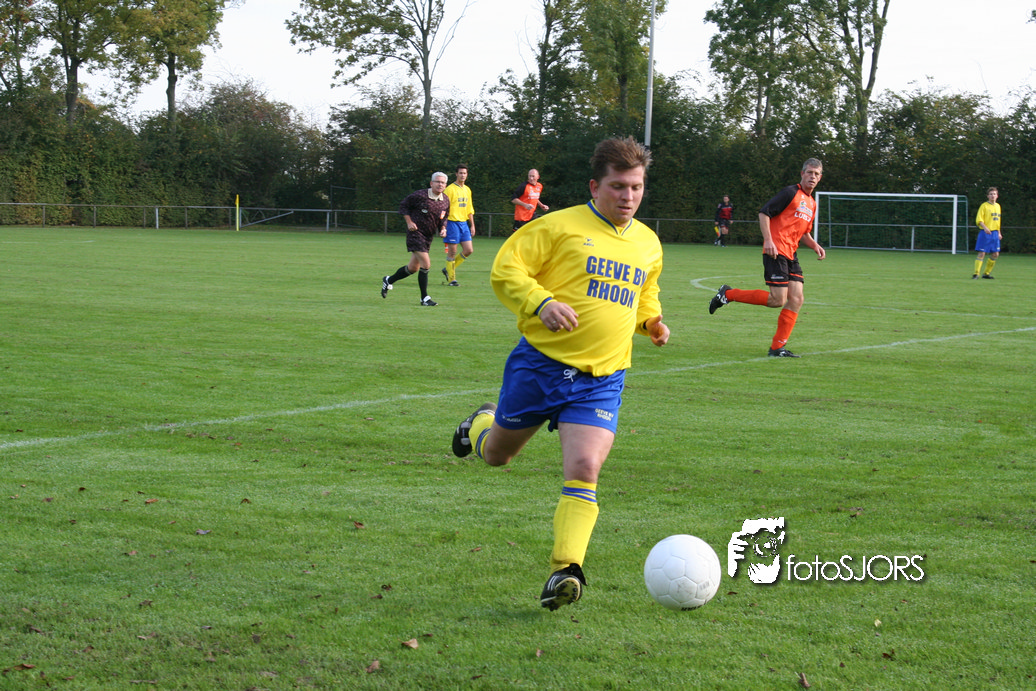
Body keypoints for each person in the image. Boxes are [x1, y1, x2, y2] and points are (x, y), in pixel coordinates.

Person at [450, 137, 670, 611]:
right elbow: (506, 270)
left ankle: (565, 570)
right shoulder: (557, 226)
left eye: (636, 187)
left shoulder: (648, 243)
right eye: (618, 186)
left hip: (601, 378)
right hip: (540, 367)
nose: (628, 196)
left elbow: (644, 293)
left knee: (585, 467)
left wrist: (651, 322)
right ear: (595, 186)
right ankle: (480, 424)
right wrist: (541, 302)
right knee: (497, 456)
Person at [708, 158, 826, 358]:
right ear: (802, 174)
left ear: (820, 177)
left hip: (791, 253)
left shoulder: (812, 204)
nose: (812, 177)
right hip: (776, 250)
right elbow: (764, 213)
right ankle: (727, 294)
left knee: (797, 298)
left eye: (816, 174)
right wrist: (768, 240)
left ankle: (777, 348)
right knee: (777, 300)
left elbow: (805, 232)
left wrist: (815, 245)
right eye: (809, 172)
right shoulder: (790, 193)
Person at [381, 172, 449, 306]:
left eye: (442, 182)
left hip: (428, 236)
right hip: (415, 234)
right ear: (431, 183)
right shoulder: (420, 195)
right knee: (426, 265)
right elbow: (404, 206)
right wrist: (409, 222)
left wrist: (443, 228)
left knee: (413, 268)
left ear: (445, 185)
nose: (440, 184)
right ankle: (424, 298)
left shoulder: (445, 200)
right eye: (437, 182)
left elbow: (444, 216)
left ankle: (388, 280)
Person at [442, 164, 475, 287]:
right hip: (452, 223)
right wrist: (443, 226)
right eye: (460, 173)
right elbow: (443, 208)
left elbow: (469, 209)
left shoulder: (467, 190)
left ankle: (448, 269)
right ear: (456, 174)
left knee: (468, 250)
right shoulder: (450, 189)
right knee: (452, 252)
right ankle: (452, 280)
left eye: (464, 173)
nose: (462, 175)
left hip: (464, 224)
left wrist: (472, 225)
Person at [973, 187, 1002, 279]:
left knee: (995, 254)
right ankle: (976, 274)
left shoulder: (998, 206)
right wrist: (985, 228)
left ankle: (986, 274)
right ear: (988, 196)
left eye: (994, 194)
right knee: (982, 253)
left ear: (997, 196)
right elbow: (979, 219)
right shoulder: (984, 206)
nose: (993, 196)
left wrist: (999, 232)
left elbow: (997, 221)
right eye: (991, 194)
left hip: (995, 233)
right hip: (985, 233)